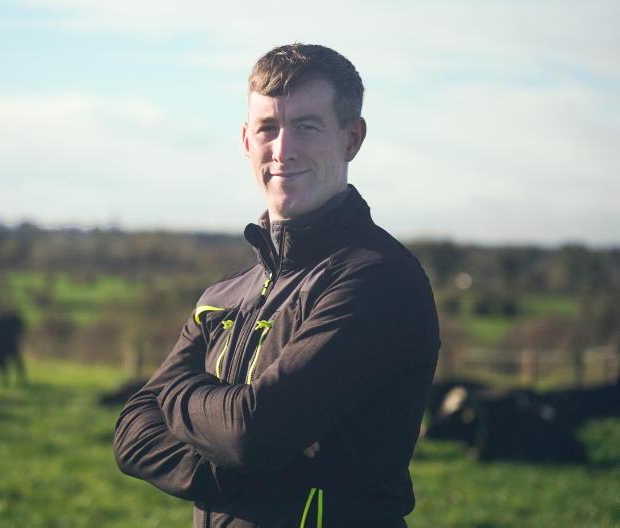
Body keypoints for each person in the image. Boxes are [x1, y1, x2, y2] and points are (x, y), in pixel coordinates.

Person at [113, 43, 440, 528]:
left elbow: (252, 434)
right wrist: (235, 471)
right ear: (246, 140)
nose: (283, 150)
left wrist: (177, 392)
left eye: (307, 126)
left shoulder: (376, 279)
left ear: (352, 138)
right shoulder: (225, 295)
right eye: (268, 127)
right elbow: (131, 433)